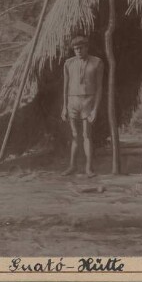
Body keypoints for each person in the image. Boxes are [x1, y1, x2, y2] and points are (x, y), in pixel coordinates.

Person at [61, 35, 104, 177]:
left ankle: (88, 168)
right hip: (72, 101)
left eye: (81, 48)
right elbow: (65, 87)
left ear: (87, 47)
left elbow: (99, 88)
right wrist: (64, 107)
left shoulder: (97, 62)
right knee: (74, 135)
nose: (78, 51)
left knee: (86, 135)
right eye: (75, 48)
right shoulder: (68, 63)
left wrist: (95, 109)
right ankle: (72, 166)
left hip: (88, 100)